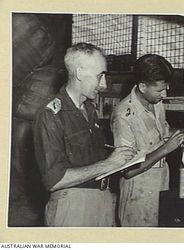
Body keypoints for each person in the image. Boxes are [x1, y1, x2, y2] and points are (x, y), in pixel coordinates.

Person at [33, 42, 135, 227]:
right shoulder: (51, 114)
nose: (104, 84)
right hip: (73, 207)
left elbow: (89, 156)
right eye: (99, 76)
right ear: (79, 73)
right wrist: (109, 163)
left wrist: (120, 156)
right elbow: (54, 180)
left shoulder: (90, 109)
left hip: (102, 200)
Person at [111, 54, 184, 227]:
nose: (164, 94)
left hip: (161, 184)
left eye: (166, 88)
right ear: (142, 86)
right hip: (137, 193)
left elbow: (163, 133)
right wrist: (165, 149)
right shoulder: (124, 115)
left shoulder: (155, 102)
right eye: (160, 90)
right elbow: (128, 170)